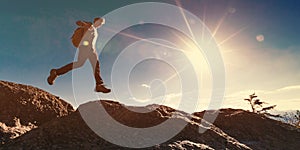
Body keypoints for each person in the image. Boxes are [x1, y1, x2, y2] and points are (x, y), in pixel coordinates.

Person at [47, 17, 111, 93]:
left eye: (102, 23)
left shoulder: (95, 31)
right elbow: (79, 22)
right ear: (96, 21)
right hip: (86, 48)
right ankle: (99, 85)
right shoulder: (90, 25)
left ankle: (56, 72)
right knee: (93, 65)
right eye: (100, 22)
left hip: (90, 49)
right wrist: (84, 24)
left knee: (81, 64)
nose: (100, 24)